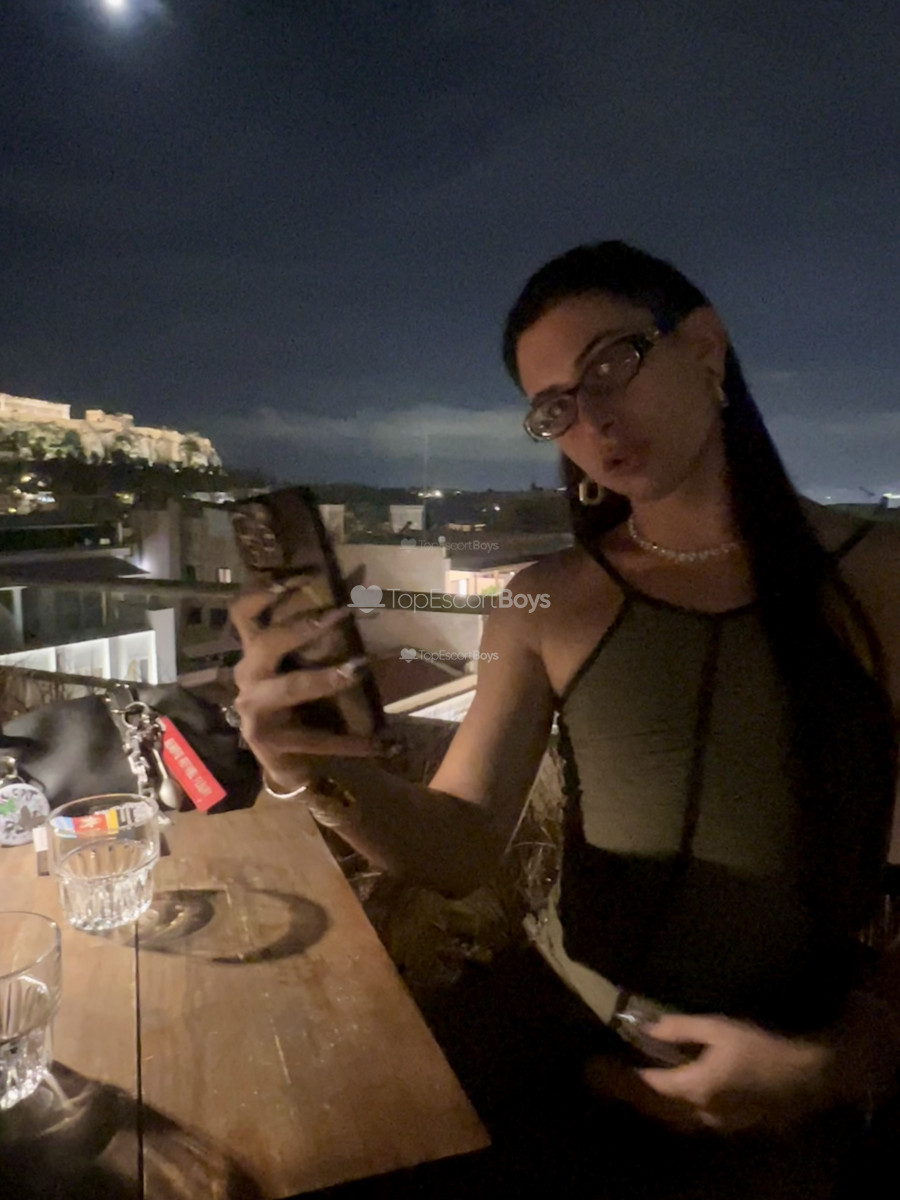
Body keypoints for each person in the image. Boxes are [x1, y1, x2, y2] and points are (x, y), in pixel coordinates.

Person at [229, 241, 900, 1197]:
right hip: (570, 1044)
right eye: (555, 407)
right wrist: (311, 770)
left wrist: (845, 1058)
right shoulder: (544, 599)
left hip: (796, 1086)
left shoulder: (880, 578)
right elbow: (460, 842)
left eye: (610, 366)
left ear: (705, 349)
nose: (591, 420)